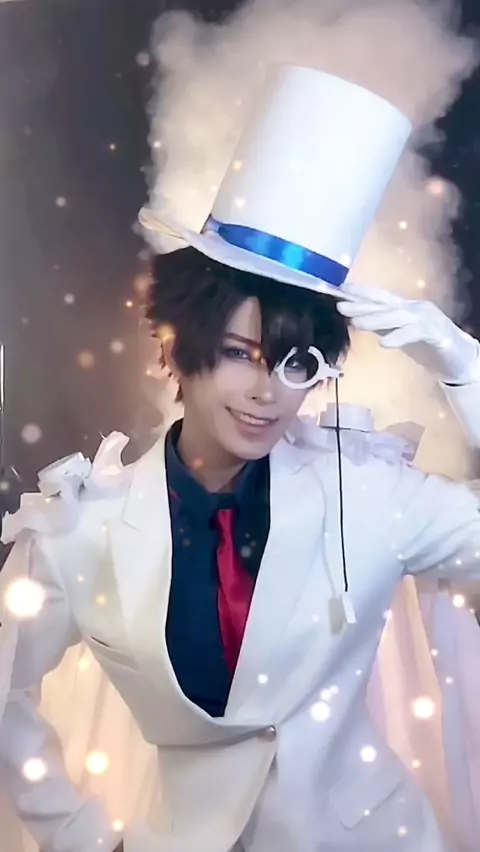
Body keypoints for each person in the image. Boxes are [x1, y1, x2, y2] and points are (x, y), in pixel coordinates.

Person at [2, 64, 480, 852]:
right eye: (236, 354)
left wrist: (464, 370)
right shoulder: (79, 528)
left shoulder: (370, 492)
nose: (266, 391)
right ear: (178, 347)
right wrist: (81, 837)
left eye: (296, 364)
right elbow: (4, 689)